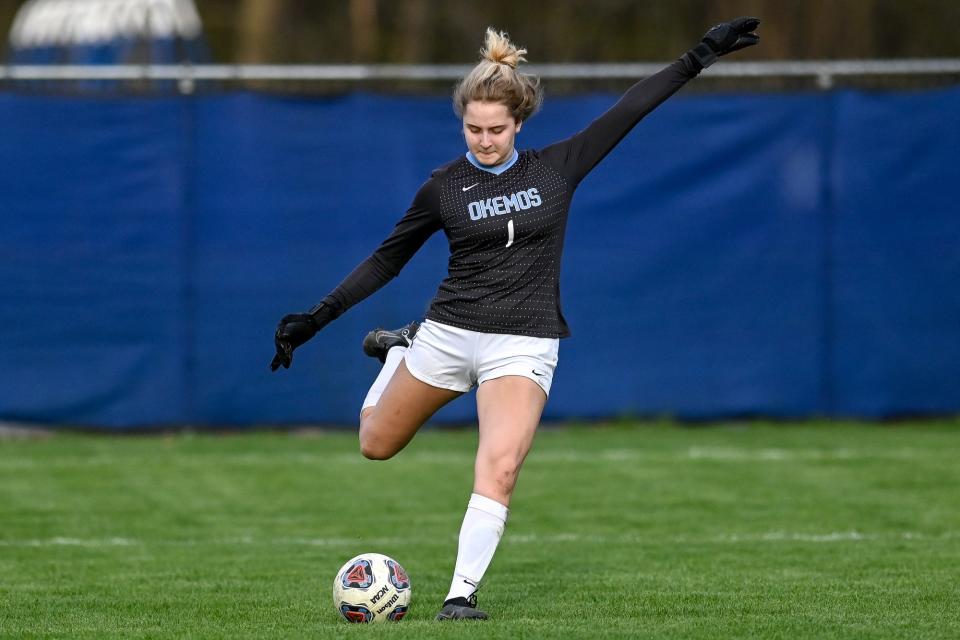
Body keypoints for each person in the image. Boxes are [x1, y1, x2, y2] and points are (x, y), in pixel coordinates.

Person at [271, 17, 760, 621]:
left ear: (519, 123)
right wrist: (316, 320)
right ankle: (398, 351)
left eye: (495, 129)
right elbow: (386, 261)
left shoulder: (557, 168)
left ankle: (460, 596)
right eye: (472, 129)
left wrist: (698, 57)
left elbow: (630, 110)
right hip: (448, 333)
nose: (483, 140)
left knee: (500, 464)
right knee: (375, 445)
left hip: (522, 338)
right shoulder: (443, 188)